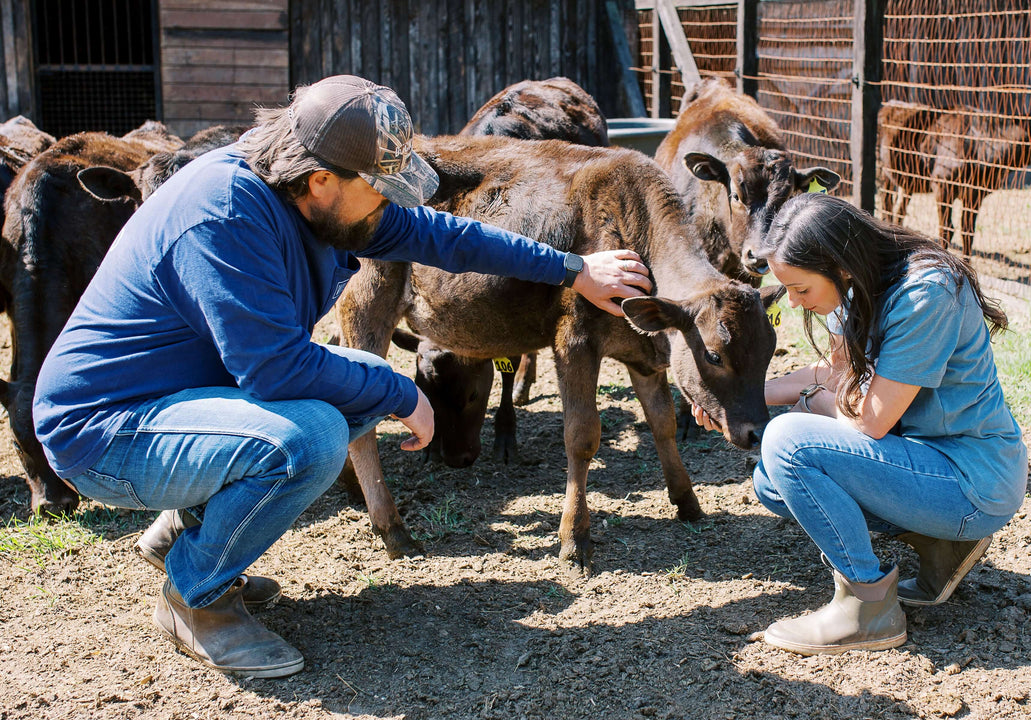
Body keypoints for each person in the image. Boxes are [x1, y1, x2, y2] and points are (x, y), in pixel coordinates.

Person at [32, 75, 653, 678]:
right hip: (106, 431)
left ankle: (185, 535)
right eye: (381, 187)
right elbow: (275, 369)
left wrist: (573, 269)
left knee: (349, 382)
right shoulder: (224, 216)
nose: (392, 202)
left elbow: (446, 237)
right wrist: (400, 389)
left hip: (181, 404)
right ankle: (196, 596)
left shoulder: (318, 200)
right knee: (305, 440)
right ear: (322, 178)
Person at [691, 192, 1027, 655]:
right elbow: (832, 376)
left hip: (972, 481)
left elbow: (871, 420)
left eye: (801, 289)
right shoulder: (857, 287)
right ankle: (939, 545)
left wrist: (794, 418)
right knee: (772, 480)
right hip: (923, 465)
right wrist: (739, 402)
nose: (791, 303)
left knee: (790, 445)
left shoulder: (925, 293)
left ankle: (869, 606)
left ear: (840, 264)